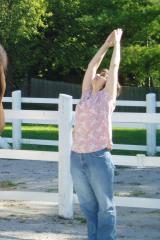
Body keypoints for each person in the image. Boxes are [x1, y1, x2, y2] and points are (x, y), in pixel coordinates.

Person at [70, 28, 123, 240]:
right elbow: (93, 64)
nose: (100, 74)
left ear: (109, 86)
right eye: (100, 74)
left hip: (98, 157)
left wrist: (117, 43)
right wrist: (106, 44)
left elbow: (114, 65)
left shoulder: (107, 99)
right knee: (88, 206)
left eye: (104, 75)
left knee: (106, 207)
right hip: (76, 157)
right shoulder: (85, 94)